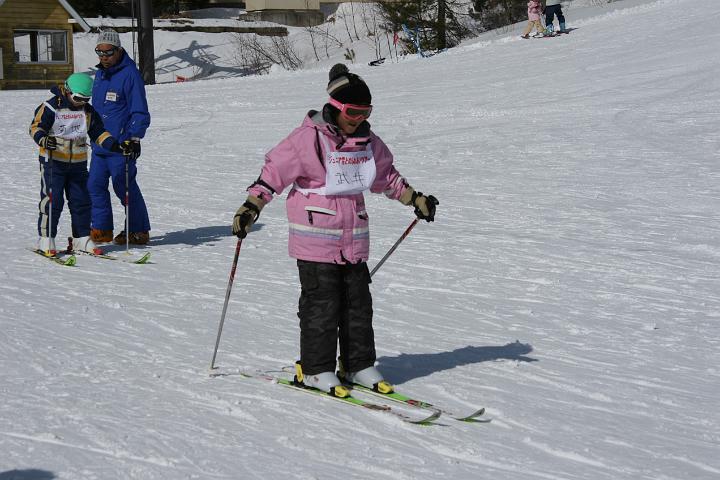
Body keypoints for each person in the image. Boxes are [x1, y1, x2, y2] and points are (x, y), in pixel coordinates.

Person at [231, 64, 439, 398]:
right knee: (321, 306)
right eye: (353, 111)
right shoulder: (308, 139)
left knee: (358, 305)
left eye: (366, 112)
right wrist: (251, 206)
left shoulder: (367, 142)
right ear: (337, 107)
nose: (359, 118)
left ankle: (358, 365)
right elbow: (273, 173)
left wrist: (416, 198)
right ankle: (315, 369)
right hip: (315, 240)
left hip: (353, 241)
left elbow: (387, 177)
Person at [29, 73, 124, 256]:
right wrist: (43, 139)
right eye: (78, 98)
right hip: (53, 163)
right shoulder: (51, 107)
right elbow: (36, 127)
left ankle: (81, 238)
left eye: (86, 99)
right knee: (53, 201)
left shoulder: (87, 111)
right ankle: (46, 239)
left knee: (81, 201)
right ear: (67, 90)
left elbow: (98, 132)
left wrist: (115, 145)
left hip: (78, 164)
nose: (81, 102)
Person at [88, 30, 152, 246]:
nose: (103, 57)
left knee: (123, 186)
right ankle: (102, 228)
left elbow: (139, 110)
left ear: (118, 50)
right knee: (94, 185)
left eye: (108, 52)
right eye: (99, 52)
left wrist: (134, 138)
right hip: (100, 143)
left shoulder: (130, 74)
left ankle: (138, 230)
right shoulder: (100, 74)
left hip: (121, 145)